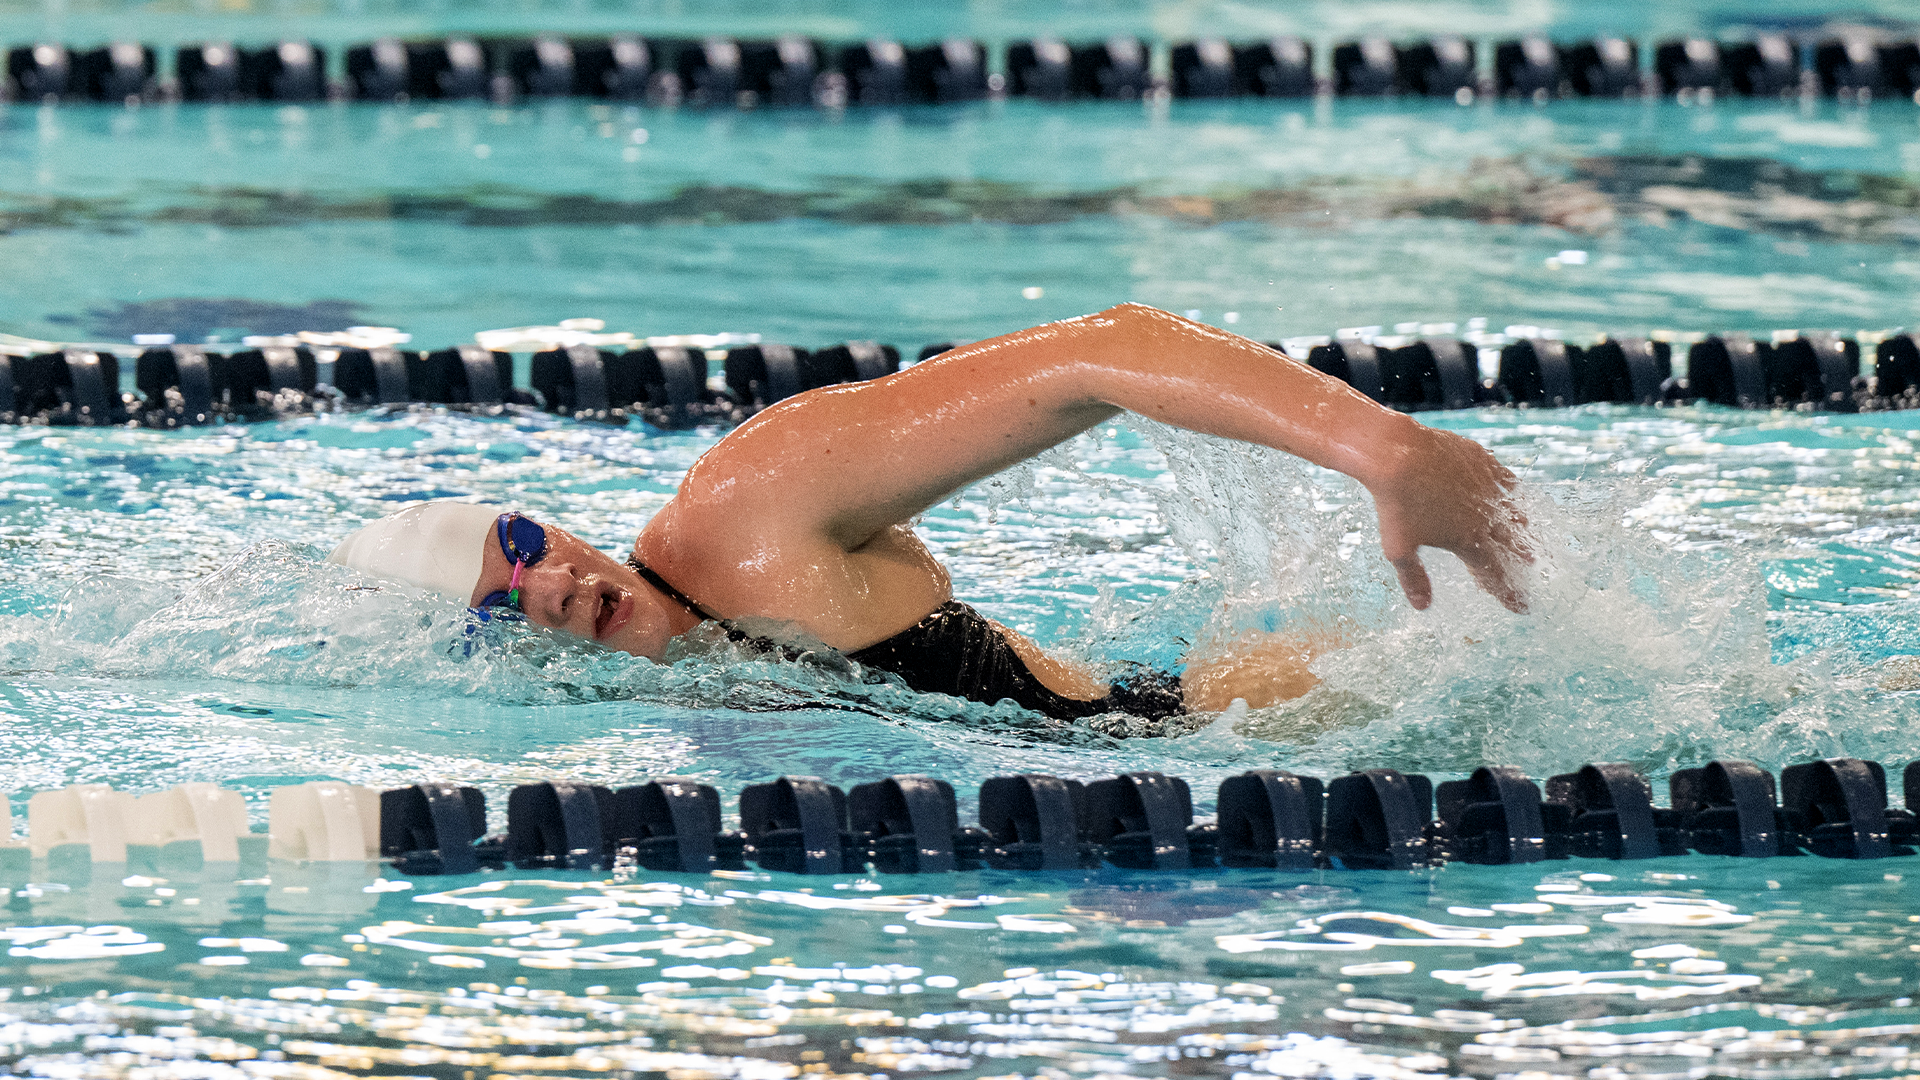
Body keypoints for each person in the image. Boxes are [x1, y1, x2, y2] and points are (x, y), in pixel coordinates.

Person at [329, 304, 1530, 719]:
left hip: (1232, 732)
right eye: (500, 600)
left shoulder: (751, 511)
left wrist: (1388, 447)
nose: (544, 583)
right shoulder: (620, 719)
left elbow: (1105, 352)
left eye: (526, 544)